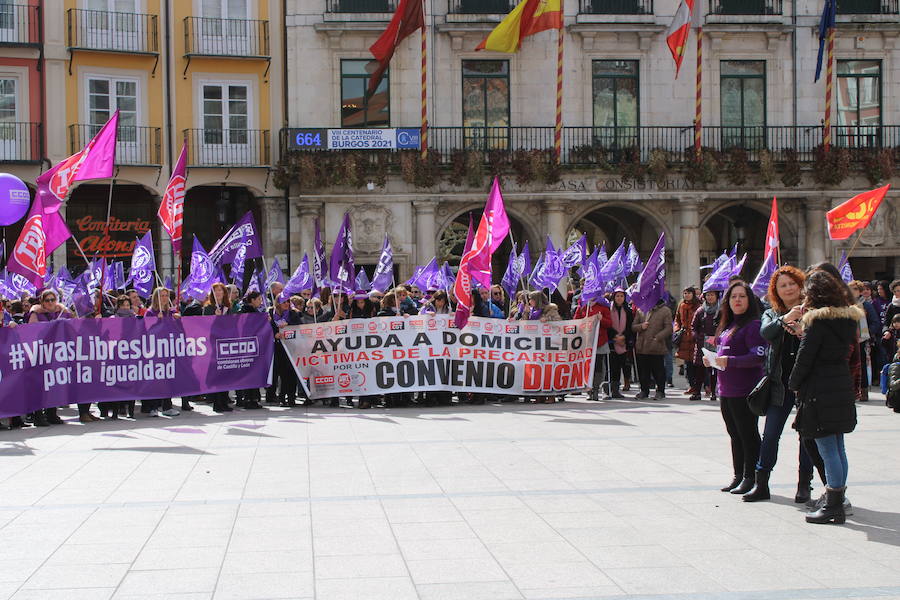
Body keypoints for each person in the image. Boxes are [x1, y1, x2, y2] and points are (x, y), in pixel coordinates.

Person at [789, 269, 863, 524]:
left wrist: (794, 382)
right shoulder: (847, 319)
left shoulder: (816, 321)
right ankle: (838, 500)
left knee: (827, 447)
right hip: (840, 384)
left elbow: (806, 357)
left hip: (819, 389)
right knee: (838, 446)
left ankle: (833, 504)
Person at [744, 266, 815, 503]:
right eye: (782, 285)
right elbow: (766, 332)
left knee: (806, 436)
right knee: (771, 433)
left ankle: (805, 484)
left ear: (800, 285)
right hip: (779, 383)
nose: (788, 288)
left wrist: (803, 327)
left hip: (807, 383)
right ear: (776, 291)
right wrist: (787, 318)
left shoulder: (813, 310)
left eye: (792, 283)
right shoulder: (772, 312)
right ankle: (761, 482)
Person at [706, 281, 766, 495]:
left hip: (746, 390)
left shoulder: (754, 325)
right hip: (726, 389)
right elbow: (724, 354)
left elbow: (758, 356)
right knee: (734, 433)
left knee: (748, 434)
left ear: (749, 300)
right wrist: (712, 360)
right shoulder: (728, 326)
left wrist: (730, 360)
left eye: (742, 296)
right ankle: (738, 475)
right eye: (733, 297)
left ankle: (751, 477)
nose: (737, 300)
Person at [27, 290, 73, 426]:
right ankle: (38, 416)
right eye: (47, 300)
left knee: (54, 384)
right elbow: (31, 330)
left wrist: (67, 312)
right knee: (39, 385)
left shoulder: (61, 312)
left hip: (56, 355)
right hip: (40, 355)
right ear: (42, 302)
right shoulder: (36, 313)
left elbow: (74, 324)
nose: (51, 302)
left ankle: (52, 413)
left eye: (53, 299)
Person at [143, 287, 182, 417]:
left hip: (169, 349)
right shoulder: (150, 312)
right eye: (162, 296)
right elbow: (147, 330)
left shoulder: (170, 312)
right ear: (156, 298)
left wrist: (177, 318)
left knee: (168, 379)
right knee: (156, 379)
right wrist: (156, 321)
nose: (164, 298)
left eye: (166, 295)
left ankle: (167, 406)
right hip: (155, 350)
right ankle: (153, 407)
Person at [631, 298, 673, 400]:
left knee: (658, 370)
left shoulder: (665, 310)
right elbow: (633, 326)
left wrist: (658, 337)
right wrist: (641, 326)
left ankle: (660, 391)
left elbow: (668, 328)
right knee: (643, 371)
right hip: (642, 345)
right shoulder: (641, 309)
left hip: (656, 346)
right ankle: (644, 390)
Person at [573, 296, 613, 401]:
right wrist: (583, 321)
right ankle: (588, 390)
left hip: (600, 342)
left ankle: (595, 388)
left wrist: (601, 319)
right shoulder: (582, 307)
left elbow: (609, 324)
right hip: (586, 342)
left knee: (598, 366)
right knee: (587, 366)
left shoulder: (603, 307)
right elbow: (575, 321)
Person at [203, 283, 235, 412]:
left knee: (225, 373)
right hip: (213, 344)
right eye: (216, 291)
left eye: (220, 291)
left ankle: (224, 400)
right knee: (217, 374)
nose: (218, 293)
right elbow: (204, 325)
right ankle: (217, 403)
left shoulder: (227, 307)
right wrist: (214, 318)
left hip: (225, 344)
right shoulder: (208, 308)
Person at [238, 291, 266, 410]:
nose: (260, 301)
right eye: (259, 299)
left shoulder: (253, 311)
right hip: (248, 346)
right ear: (252, 300)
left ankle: (251, 399)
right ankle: (249, 399)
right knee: (250, 373)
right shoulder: (248, 311)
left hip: (251, 345)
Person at [605, 289, 634, 400]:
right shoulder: (609, 309)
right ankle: (609, 389)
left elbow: (630, 326)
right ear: (614, 297)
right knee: (611, 366)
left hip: (624, 342)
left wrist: (623, 336)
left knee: (621, 366)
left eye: (621, 296)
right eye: (617, 296)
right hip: (611, 341)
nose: (619, 298)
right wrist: (615, 336)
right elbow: (608, 325)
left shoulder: (627, 310)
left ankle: (616, 389)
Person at [691, 290, 720, 401]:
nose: (710, 297)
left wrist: (718, 338)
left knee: (713, 369)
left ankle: (713, 392)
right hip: (701, 343)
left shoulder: (721, 310)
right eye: (708, 295)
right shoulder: (700, 310)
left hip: (715, 343)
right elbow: (693, 327)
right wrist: (697, 337)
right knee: (699, 369)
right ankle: (697, 392)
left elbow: (724, 325)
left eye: (712, 295)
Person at [674, 287, 701, 396]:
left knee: (697, 364)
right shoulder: (681, 305)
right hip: (684, 337)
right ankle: (691, 385)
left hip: (695, 338)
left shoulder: (698, 306)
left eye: (689, 293)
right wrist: (677, 330)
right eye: (685, 293)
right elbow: (677, 319)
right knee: (687, 364)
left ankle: (700, 385)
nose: (687, 295)